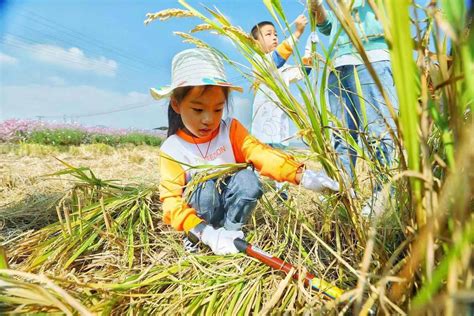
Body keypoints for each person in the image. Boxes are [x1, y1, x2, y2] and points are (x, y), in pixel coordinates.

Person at [150, 48, 340, 255]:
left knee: (248, 179)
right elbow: (171, 201)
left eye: (217, 109)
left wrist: (301, 175)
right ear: (177, 105)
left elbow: (260, 153)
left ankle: (232, 232)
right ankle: (197, 240)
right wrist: (204, 232)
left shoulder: (230, 130)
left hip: (230, 209)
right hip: (200, 222)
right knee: (203, 189)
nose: (209, 119)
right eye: (198, 109)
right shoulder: (173, 149)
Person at [310, 0, 399, 216]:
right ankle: (342, 192)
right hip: (339, 63)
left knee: (379, 132)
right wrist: (317, 6)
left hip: (372, 57)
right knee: (341, 137)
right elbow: (328, 26)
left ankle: (384, 194)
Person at [250, 16, 318, 199]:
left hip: (279, 125)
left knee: (280, 159)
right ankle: (252, 191)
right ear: (255, 43)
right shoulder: (259, 61)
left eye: (276, 34)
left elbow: (304, 70)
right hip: (263, 126)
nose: (274, 38)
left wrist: (310, 45)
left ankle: (282, 195)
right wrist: (297, 33)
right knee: (259, 161)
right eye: (268, 34)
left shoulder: (283, 68)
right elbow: (277, 58)